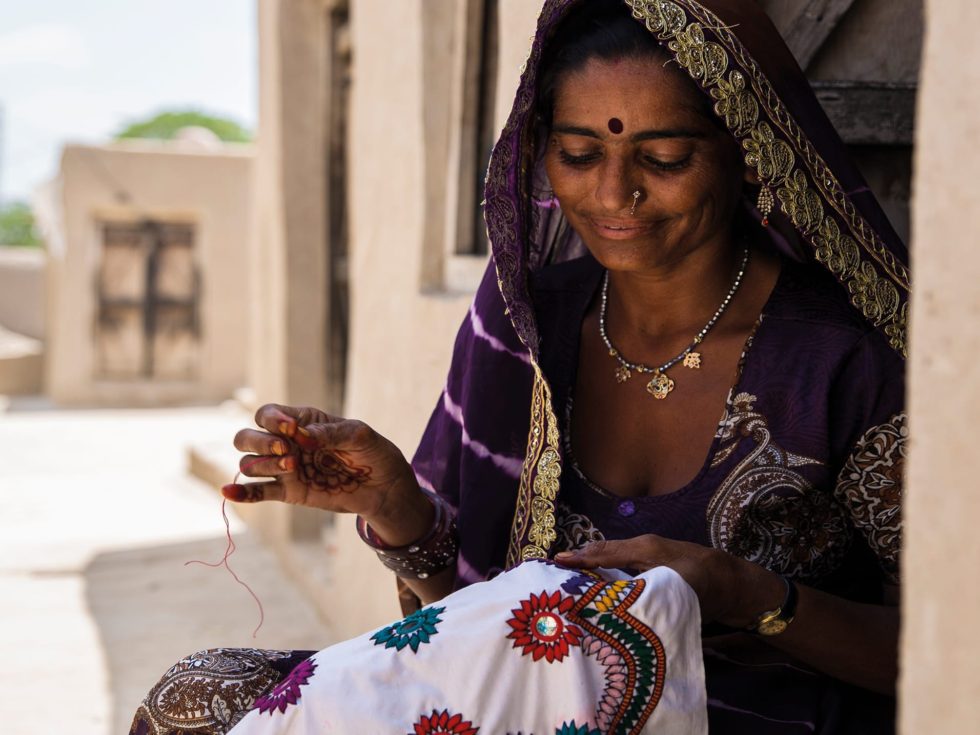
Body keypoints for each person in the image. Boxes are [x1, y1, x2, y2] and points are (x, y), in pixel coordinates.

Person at [130, 0, 908, 732]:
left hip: (745, 715)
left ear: (747, 151)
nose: (614, 193)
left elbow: (940, 649)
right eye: (577, 153)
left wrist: (751, 596)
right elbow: (482, 630)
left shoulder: (846, 357)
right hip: (534, 702)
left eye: (664, 157)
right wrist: (399, 506)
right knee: (197, 698)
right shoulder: (527, 320)